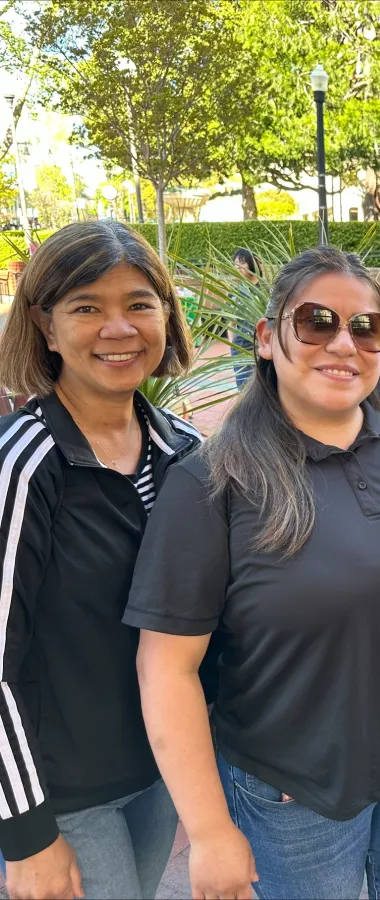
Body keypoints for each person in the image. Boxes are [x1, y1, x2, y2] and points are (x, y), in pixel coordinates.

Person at [123, 246, 380, 900]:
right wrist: (210, 831)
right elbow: (167, 667)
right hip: (294, 792)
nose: (343, 343)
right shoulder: (215, 481)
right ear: (268, 338)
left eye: (366, 327)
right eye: (316, 322)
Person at [0, 222, 198, 899]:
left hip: (160, 771)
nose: (119, 327)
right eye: (87, 307)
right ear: (46, 327)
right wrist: (26, 834)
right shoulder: (25, 465)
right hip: (64, 793)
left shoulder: (186, 454)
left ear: (167, 318)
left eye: (140, 304)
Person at [229, 248, 263, 388]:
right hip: (240, 350)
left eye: (242, 263)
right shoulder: (236, 292)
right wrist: (233, 345)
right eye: (236, 263)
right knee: (243, 390)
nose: (238, 267)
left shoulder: (265, 291)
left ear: (252, 263)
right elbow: (230, 321)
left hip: (260, 350)